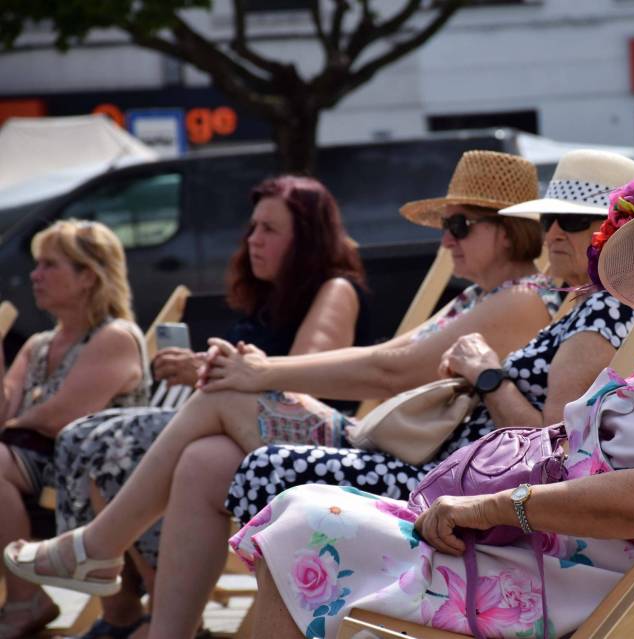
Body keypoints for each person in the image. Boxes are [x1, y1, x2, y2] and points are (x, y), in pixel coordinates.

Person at [229, 163, 634, 639]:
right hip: (528, 550)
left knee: (303, 521)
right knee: (296, 512)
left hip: (561, 579)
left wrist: (488, 509)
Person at [2, 150, 560, 636]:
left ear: (506, 231)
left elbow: (392, 371)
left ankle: (98, 546)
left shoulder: (521, 299)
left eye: (459, 225)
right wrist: (260, 371)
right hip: (395, 446)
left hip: (419, 469)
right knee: (204, 461)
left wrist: (263, 372)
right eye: (444, 224)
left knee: (220, 397)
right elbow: (391, 358)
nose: (445, 239)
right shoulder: (477, 298)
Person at [50, 174, 372, 639]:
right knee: (83, 435)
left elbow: (302, 375)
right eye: (252, 227)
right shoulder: (270, 298)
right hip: (234, 430)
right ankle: (121, 609)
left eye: (269, 229)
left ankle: (143, 595)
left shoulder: (334, 289)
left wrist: (206, 367)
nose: (253, 239)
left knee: (111, 442)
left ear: (306, 239)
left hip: (294, 439)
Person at [0, 220, 150, 639]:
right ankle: (24, 599)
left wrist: (16, 420)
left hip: (98, 468)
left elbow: (60, 417)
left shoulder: (114, 337)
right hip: (37, 462)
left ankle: (24, 600)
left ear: (88, 276)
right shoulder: (39, 344)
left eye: (50, 265)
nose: (35, 275)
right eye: (37, 265)